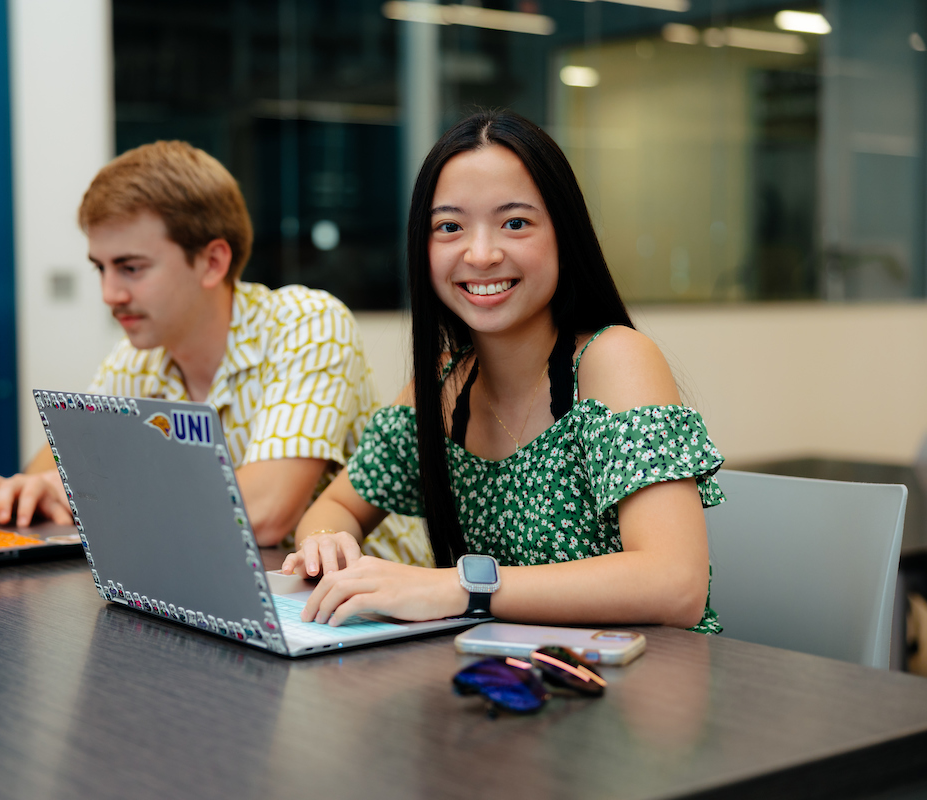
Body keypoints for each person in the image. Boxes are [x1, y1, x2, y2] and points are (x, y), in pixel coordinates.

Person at [282, 110, 724, 633]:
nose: (481, 253)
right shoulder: (443, 390)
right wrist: (326, 542)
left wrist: (457, 587)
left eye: (515, 223)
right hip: (504, 681)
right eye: (449, 227)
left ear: (565, 234)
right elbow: (335, 506)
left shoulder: (614, 361)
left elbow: (676, 584)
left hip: (645, 684)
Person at [0, 140, 428, 562]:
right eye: (100, 268)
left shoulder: (306, 323)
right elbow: (53, 467)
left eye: (131, 268)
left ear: (212, 262)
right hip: (228, 594)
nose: (109, 293)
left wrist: (95, 495)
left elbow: (264, 514)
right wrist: (27, 489)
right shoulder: (138, 356)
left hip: (375, 621)